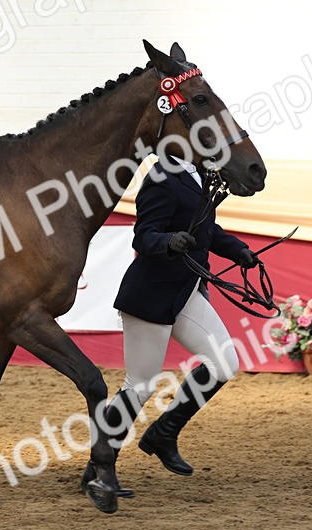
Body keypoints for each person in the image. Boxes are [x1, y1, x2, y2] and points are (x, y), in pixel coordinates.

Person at [82, 156, 258, 496]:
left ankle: (163, 434)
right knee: (140, 386)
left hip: (185, 291)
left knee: (224, 363)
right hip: (150, 295)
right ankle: (99, 468)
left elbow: (206, 228)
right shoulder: (163, 176)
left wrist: (239, 251)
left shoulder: (201, 174)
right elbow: (143, 236)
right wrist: (168, 241)